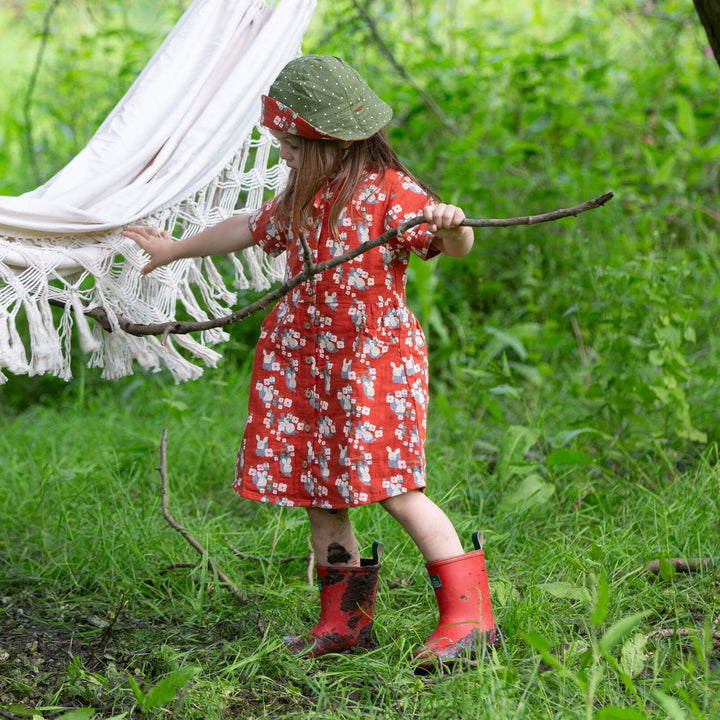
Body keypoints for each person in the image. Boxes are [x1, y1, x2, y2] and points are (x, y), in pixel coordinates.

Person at [124, 54, 498, 669]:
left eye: (291, 145)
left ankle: (468, 617)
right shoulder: (302, 195)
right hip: (305, 362)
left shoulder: (392, 194)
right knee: (322, 497)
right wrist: (175, 251)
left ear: (328, 138)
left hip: (368, 365)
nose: (285, 157)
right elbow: (247, 228)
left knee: (397, 490)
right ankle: (343, 621)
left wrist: (452, 224)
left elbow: (452, 245)